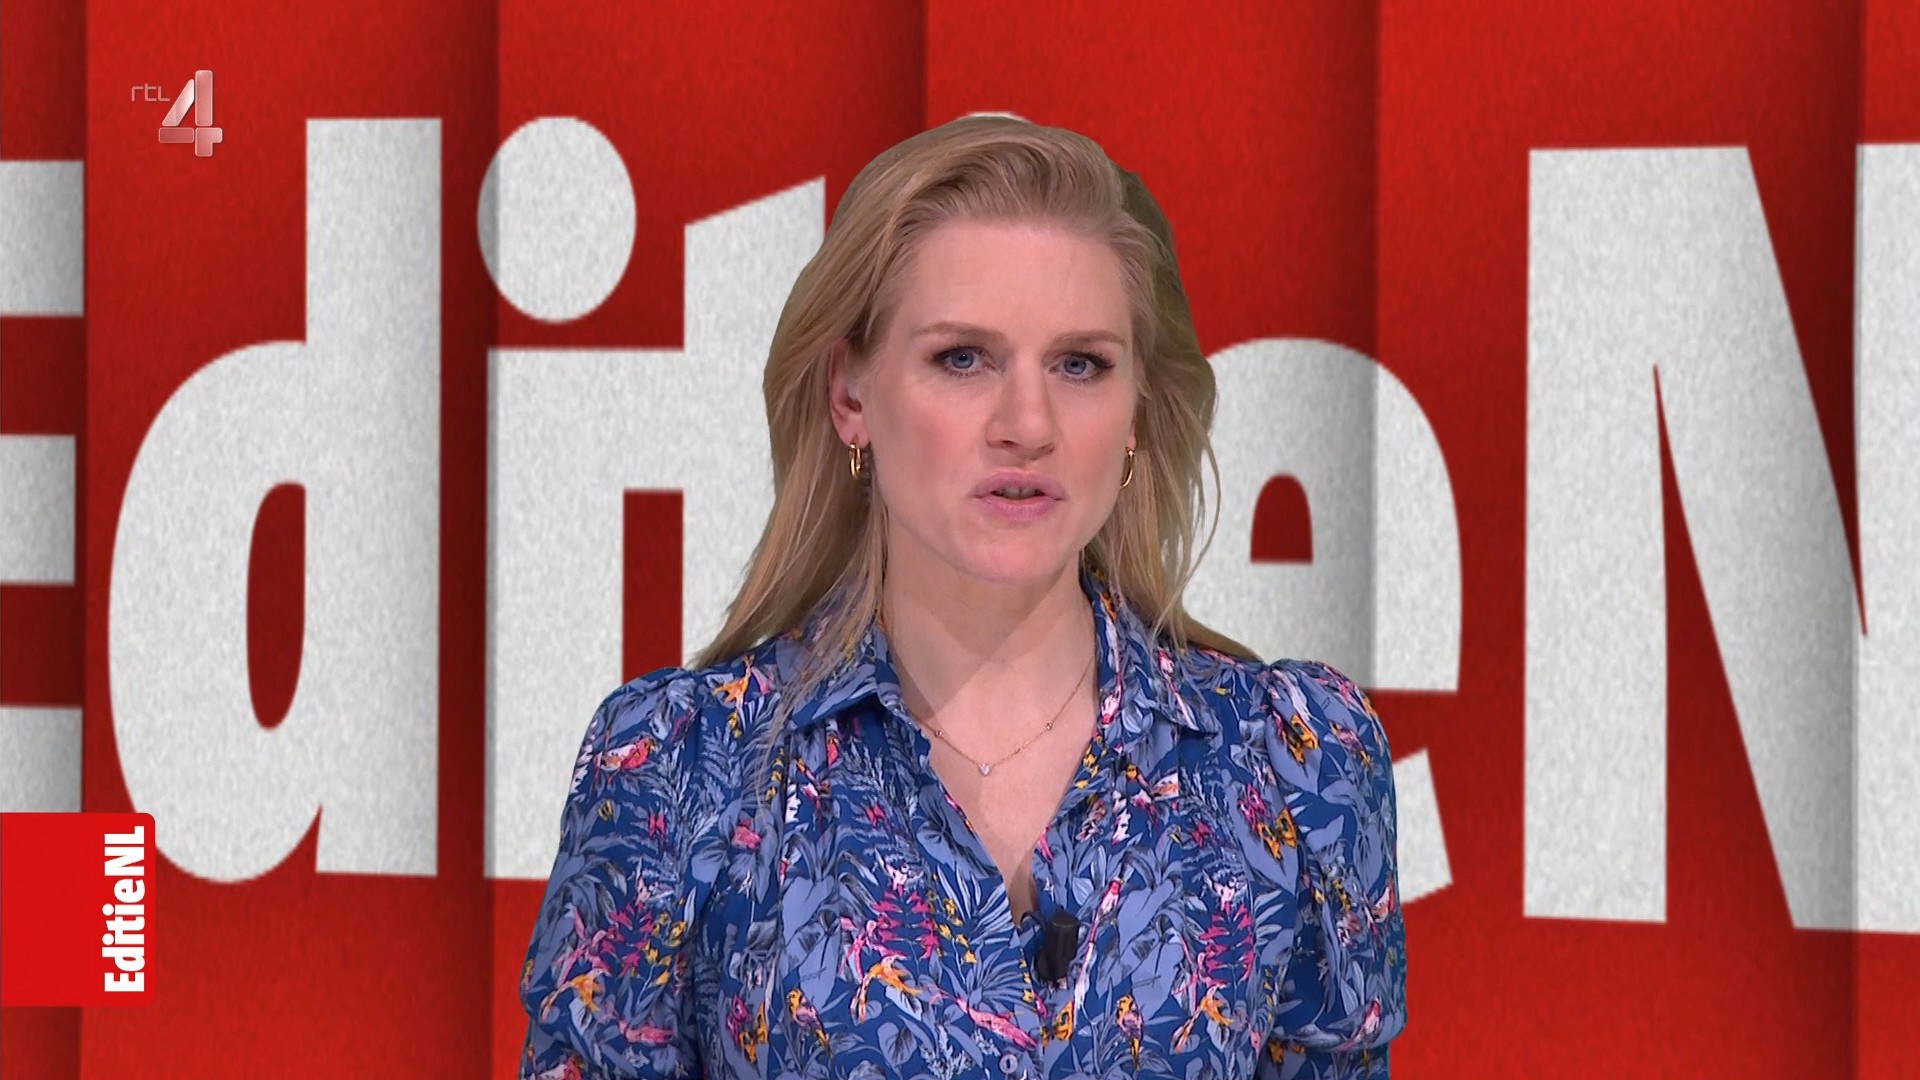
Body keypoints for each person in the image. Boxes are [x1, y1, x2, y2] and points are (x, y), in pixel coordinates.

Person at [517, 114, 1406, 1079]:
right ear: (851, 394)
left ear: (1137, 409)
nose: (1027, 423)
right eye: (963, 359)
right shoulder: (678, 770)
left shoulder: (1296, 764)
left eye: (1080, 364)